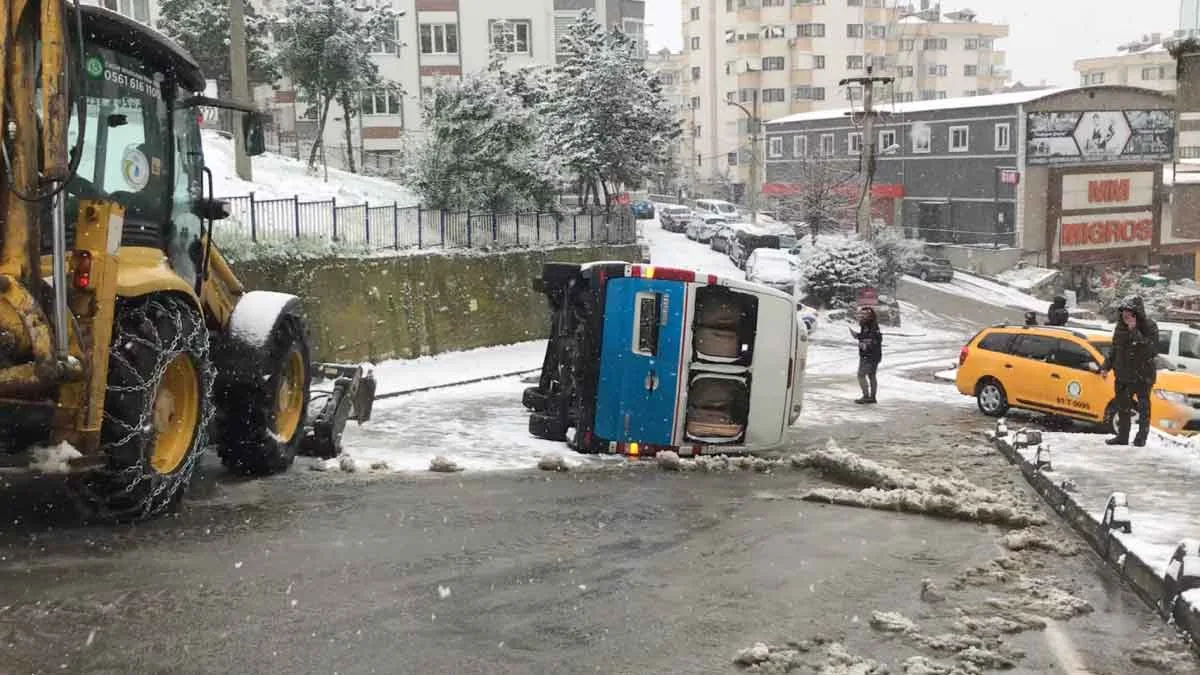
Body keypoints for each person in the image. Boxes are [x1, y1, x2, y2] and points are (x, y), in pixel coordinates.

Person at [1100, 295, 1159, 447]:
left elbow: (1150, 350)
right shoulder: (1119, 327)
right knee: (1122, 405)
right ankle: (1122, 436)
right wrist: (1106, 366)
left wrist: (1134, 330)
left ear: (1137, 312)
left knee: (1143, 407)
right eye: (1123, 311)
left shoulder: (1149, 326)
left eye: (1129, 312)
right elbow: (1114, 349)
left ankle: (1141, 438)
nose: (1125, 315)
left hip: (1142, 374)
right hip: (1123, 373)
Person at [850, 306, 882, 404]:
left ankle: (866, 396)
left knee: (861, 375)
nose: (862, 316)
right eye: (861, 314)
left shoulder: (871, 326)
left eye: (864, 315)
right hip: (870, 355)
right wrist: (859, 336)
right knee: (871, 375)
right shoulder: (866, 325)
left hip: (869, 356)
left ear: (870, 315)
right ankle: (872, 397)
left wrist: (862, 340)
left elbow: (873, 340)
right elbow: (867, 337)